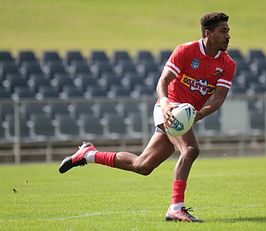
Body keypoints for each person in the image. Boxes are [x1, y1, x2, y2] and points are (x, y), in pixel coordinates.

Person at [59, 12, 236, 222]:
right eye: (223, 31)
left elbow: (217, 101)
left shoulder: (227, 64)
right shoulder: (186, 51)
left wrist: (197, 116)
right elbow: (162, 82)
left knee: (143, 166)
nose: (228, 36)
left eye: (228, 31)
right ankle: (175, 208)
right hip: (168, 107)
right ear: (208, 33)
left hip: (185, 115)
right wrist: (165, 104)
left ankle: (88, 154)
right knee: (190, 150)